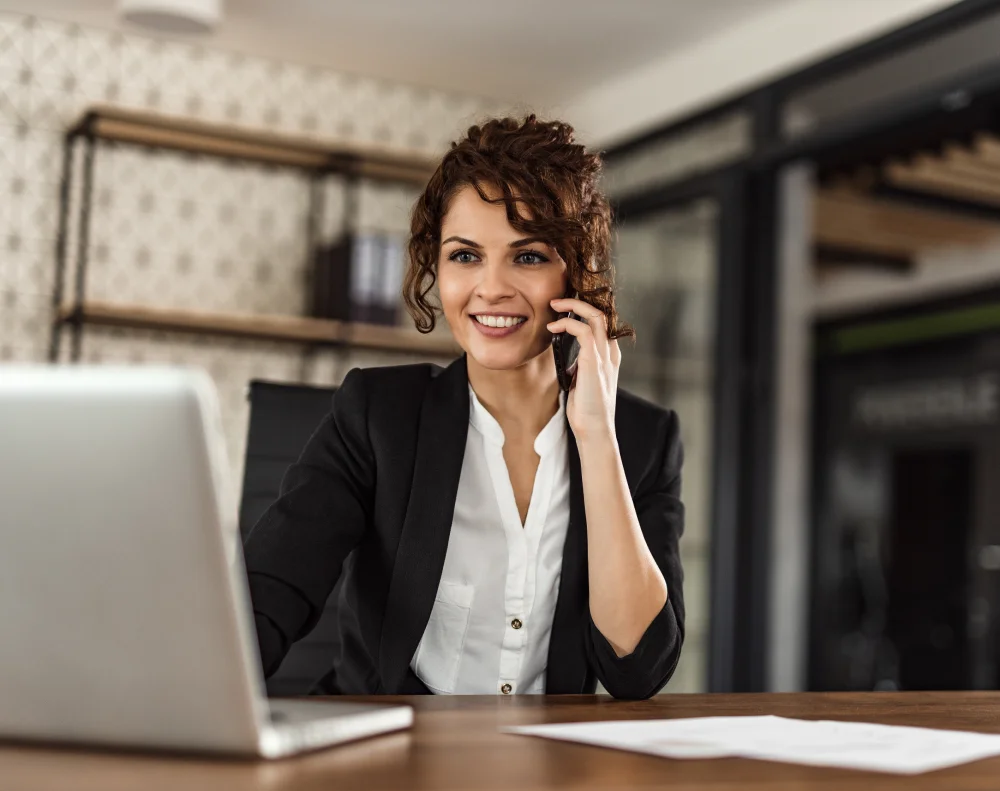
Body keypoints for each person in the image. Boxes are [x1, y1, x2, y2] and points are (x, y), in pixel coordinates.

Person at [243, 115, 685, 699]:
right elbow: (266, 598)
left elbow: (639, 671)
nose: (492, 287)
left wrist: (597, 437)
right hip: (387, 761)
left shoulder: (644, 438)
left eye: (528, 257)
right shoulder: (377, 416)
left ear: (579, 272)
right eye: (465, 256)